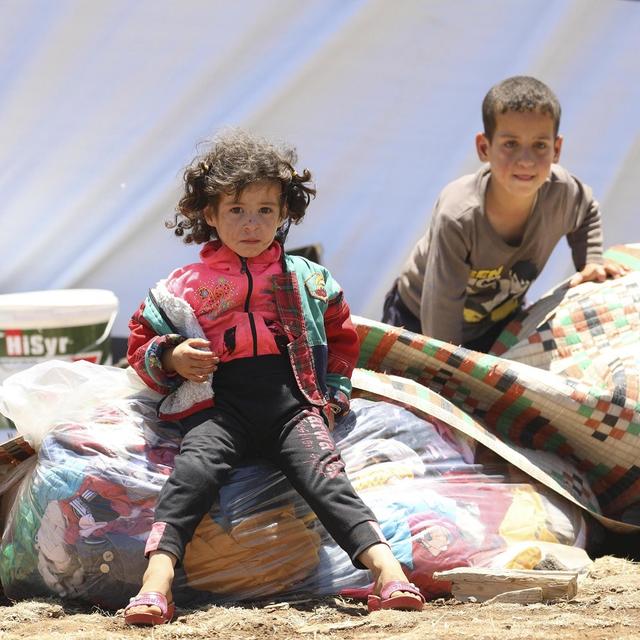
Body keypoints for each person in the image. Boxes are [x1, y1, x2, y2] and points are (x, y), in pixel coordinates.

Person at [123, 130, 424, 625]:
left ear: (285, 213)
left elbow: (342, 338)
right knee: (191, 476)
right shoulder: (182, 287)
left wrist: (332, 400)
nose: (251, 223)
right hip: (220, 411)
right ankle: (156, 583)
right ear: (210, 214)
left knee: (326, 476)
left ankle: (388, 574)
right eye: (237, 210)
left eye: (266, 210)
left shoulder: (309, 279)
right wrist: (174, 356)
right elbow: (140, 345)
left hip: (293, 405)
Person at [382, 75, 629, 352]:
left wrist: (590, 260)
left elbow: (587, 211)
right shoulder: (459, 215)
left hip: (499, 323)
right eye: (510, 144)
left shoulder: (563, 194)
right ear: (484, 148)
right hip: (419, 319)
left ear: (557, 149)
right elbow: (440, 313)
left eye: (540, 145)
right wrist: (449, 373)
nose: (526, 160)